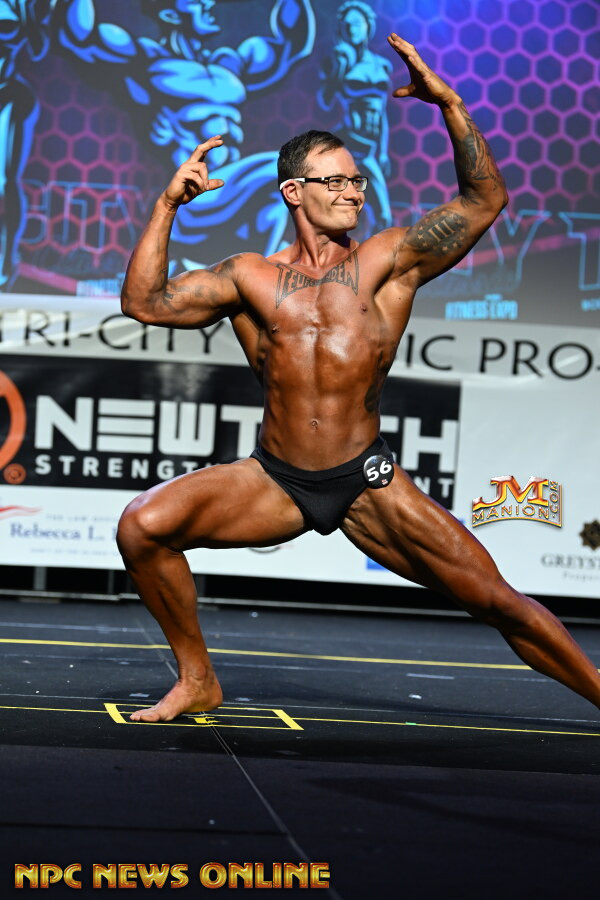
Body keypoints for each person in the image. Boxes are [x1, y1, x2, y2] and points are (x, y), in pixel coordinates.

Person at [118, 34, 600, 723]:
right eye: (334, 181)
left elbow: (485, 198)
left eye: (357, 180)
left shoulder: (387, 261)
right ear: (293, 191)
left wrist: (450, 105)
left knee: (500, 602)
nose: (351, 191)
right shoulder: (249, 276)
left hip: (366, 483)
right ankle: (198, 679)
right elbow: (144, 303)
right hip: (276, 479)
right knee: (142, 526)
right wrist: (168, 205)